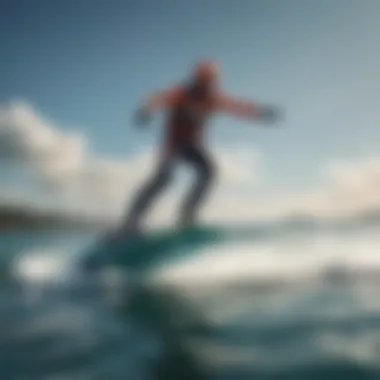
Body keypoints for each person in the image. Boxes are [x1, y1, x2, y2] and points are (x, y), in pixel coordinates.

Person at [119, 60, 281, 236]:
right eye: (203, 81)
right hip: (173, 146)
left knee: (209, 172)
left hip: (193, 146)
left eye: (211, 81)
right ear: (197, 79)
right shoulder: (182, 94)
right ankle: (131, 222)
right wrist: (145, 111)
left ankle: (187, 216)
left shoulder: (214, 99)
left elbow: (238, 107)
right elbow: (157, 100)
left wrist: (261, 113)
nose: (207, 86)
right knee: (164, 179)